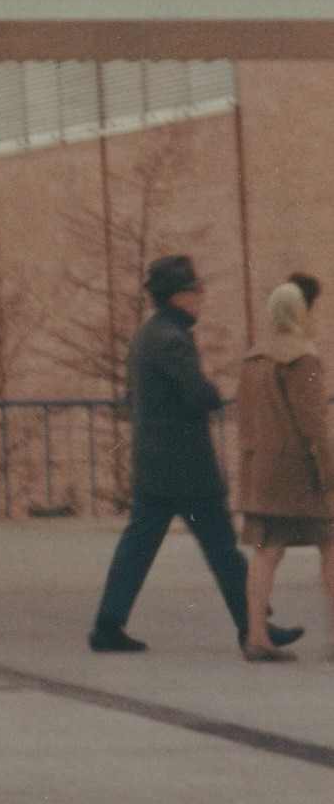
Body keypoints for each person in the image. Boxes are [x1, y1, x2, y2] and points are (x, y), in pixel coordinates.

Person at [88, 252, 302, 658]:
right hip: (186, 468)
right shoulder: (173, 340)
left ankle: (108, 625)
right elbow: (199, 394)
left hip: (153, 464)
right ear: (178, 296)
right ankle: (254, 627)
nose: (201, 297)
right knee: (222, 549)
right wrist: (213, 393)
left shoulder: (147, 335)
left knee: (138, 548)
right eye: (195, 290)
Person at [236, 274, 332, 660]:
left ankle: (257, 635)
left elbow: (246, 418)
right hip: (300, 473)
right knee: (330, 545)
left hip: (263, 470)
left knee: (266, 552)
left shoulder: (253, 358)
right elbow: (314, 425)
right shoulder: (303, 358)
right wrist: (329, 470)